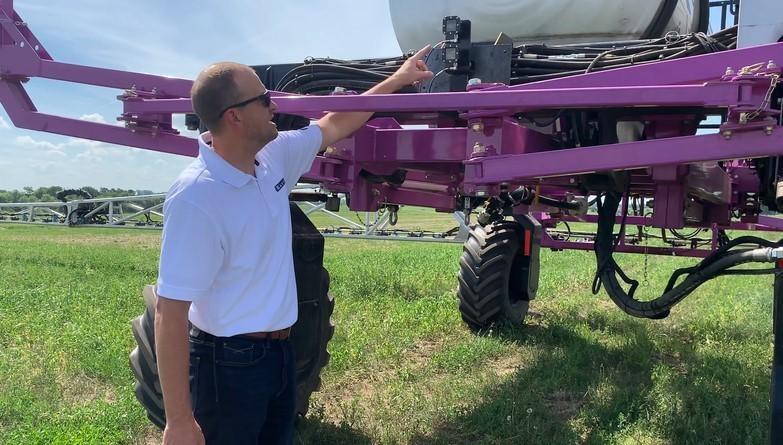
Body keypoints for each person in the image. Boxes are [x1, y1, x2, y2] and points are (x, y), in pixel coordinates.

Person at [154, 46, 433, 445]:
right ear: (234, 116)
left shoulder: (272, 156)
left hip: (281, 354)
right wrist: (179, 421)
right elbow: (171, 311)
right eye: (264, 99)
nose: (275, 104)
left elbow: (336, 124)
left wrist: (399, 78)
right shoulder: (197, 195)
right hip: (227, 365)